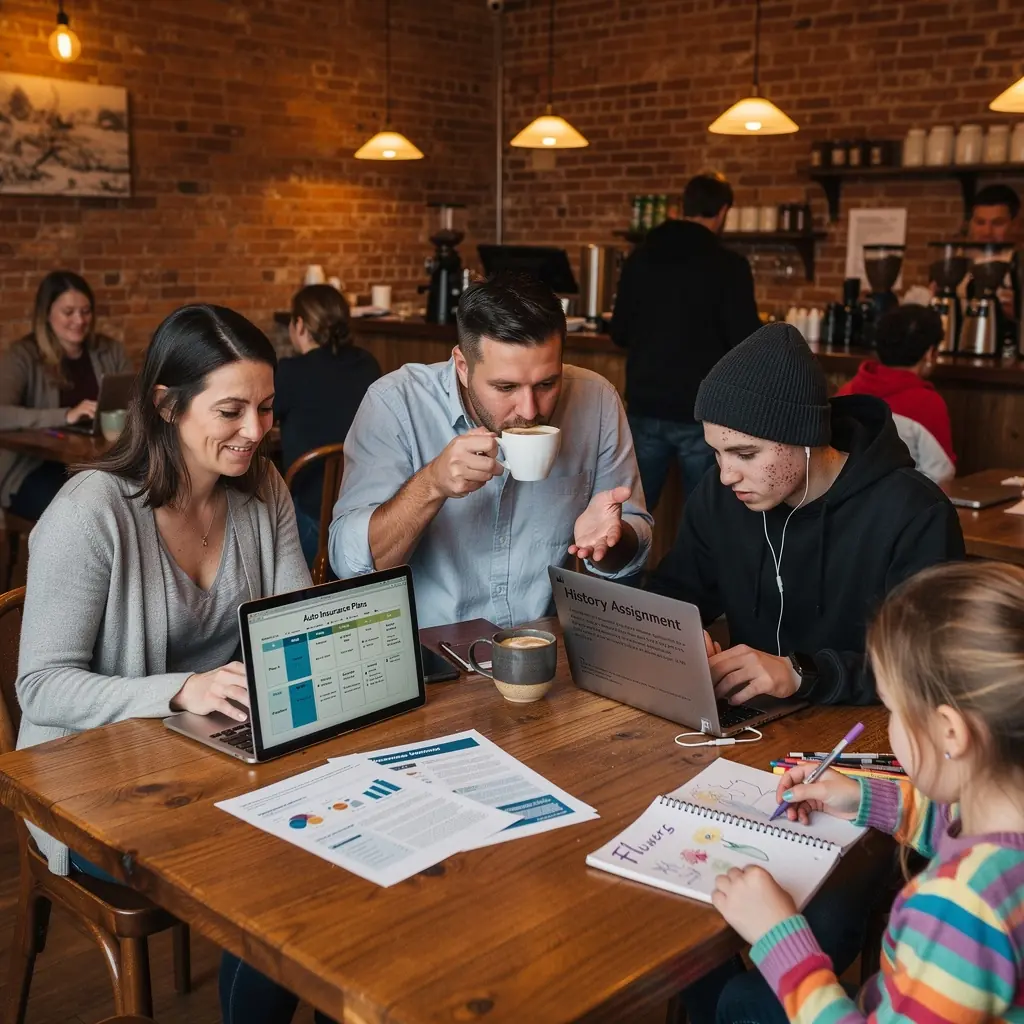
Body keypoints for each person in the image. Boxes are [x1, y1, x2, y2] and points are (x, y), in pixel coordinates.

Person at [13, 303, 317, 1024]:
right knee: (270, 871)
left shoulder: (262, 488)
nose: (256, 432)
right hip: (90, 779)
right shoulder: (92, 510)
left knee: (335, 844)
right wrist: (182, 688)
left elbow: (293, 624)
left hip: (214, 753)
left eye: (267, 410)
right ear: (166, 404)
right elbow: (40, 686)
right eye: (233, 410)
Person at [710, 560, 1024, 1023]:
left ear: (950, 733)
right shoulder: (999, 832)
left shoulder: (959, 906)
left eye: (894, 711)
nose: (892, 726)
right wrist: (866, 798)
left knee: (742, 1003)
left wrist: (779, 937)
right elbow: (959, 828)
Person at [648, 322, 964, 709]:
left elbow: (930, 665)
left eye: (746, 454)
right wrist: (675, 633)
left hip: (868, 730)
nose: (727, 474)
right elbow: (675, 592)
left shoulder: (914, 512)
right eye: (716, 452)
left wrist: (802, 673)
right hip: (752, 726)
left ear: (807, 437)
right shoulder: (720, 495)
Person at [330, 272, 653, 628]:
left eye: (547, 383)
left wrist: (611, 541)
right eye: (505, 387)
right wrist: (432, 484)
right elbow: (351, 566)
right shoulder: (395, 404)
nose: (530, 411)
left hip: (542, 644)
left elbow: (630, 553)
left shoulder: (597, 400)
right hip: (429, 654)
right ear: (463, 366)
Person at [610, 172, 760, 510]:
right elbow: (745, 341)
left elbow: (619, 332)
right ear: (723, 211)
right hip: (703, 412)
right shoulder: (729, 266)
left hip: (646, 405)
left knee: (630, 513)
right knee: (705, 517)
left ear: (683, 206)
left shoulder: (640, 258)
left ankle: (627, 566)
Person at [0, 270, 129, 520]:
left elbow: (134, 400)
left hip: (99, 464)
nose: (80, 320)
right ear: (46, 314)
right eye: (68, 312)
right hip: (34, 468)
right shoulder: (23, 356)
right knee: (79, 512)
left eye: (86, 311)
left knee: (131, 502)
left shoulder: (111, 350)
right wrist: (66, 415)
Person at [276, 285, 381, 566]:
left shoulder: (289, 372)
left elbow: (262, 420)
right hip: (364, 513)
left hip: (313, 521)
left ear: (299, 324)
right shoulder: (367, 363)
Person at [836, 304, 955, 487]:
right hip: (904, 507)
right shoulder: (928, 404)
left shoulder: (846, 391)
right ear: (930, 353)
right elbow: (943, 475)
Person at [964, 182, 1020, 338]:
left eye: (998, 223)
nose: (987, 232)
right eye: (980, 222)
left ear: (1015, 224)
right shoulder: (957, 265)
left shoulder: (1020, 267)